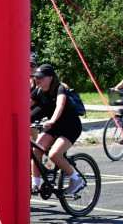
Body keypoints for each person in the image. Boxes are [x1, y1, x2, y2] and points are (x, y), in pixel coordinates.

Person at [30, 63, 84, 194]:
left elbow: (60, 105)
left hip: (70, 127)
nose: (37, 79)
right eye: (36, 77)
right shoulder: (38, 91)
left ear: (50, 78)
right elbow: (25, 105)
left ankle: (76, 179)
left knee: (54, 154)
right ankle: (35, 183)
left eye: (41, 77)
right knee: (36, 149)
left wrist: (52, 120)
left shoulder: (60, 88)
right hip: (54, 127)